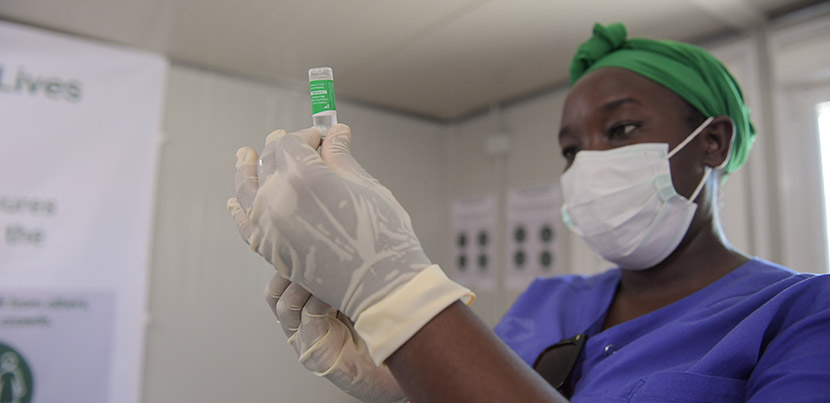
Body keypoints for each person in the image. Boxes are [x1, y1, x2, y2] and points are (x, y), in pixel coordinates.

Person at [227, 23, 830, 402]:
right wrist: (403, 383)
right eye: (571, 150)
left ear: (712, 143)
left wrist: (398, 294)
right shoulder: (552, 299)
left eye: (620, 129)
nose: (588, 164)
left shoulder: (803, 314)